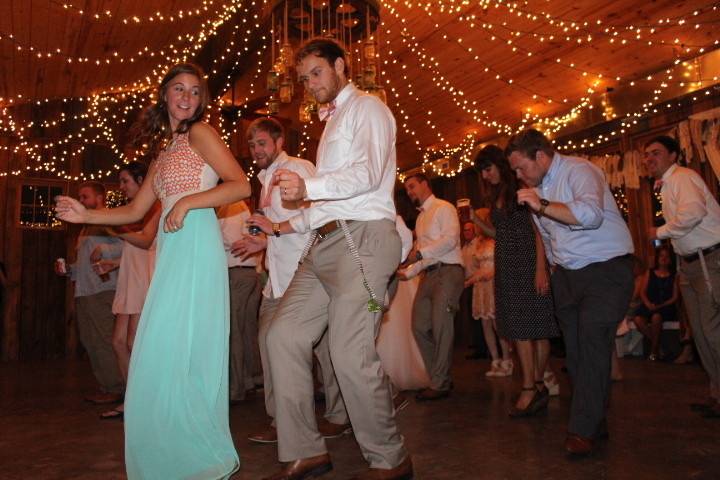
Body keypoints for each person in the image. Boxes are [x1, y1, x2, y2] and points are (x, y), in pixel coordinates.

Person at [55, 63, 250, 478]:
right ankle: (176, 449)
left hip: (196, 249)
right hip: (172, 254)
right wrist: (85, 213)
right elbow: (135, 211)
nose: (187, 98)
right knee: (162, 352)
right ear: (164, 95)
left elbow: (240, 184)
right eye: (179, 89)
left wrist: (185, 203)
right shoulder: (164, 153)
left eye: (195, 91)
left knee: (181, 347)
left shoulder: (201, 134)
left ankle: (199, 450)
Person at [258, 38, 412, 480]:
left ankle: (391, 459)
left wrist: (308, 188)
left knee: (348, 354)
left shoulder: (368, 109)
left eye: (316, 73)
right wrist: (295, 215)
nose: (309, 84)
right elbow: (328, 199)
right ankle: (305, 450)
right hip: (324, 243)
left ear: (341, 66)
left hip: (362, 240)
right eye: (304, 78)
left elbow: (366, 175)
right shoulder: (331, 122)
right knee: (281, 335)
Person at [507, 129, 634, 455]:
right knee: (576, 356)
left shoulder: (579, 170)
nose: (519, 176)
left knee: (592, 345)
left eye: (522, 167)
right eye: (515, 171)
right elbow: (548, 237)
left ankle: (581, 431)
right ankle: (595, 421)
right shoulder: (535, 189)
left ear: (541, 155)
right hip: (568, 276)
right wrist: (551, 269)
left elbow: (590, 216)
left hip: (606, 270)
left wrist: (543, 203)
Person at [237, 117, 351, 444]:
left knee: (326, 350)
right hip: (276, 277)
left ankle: (340, 415)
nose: (256, 149)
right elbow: (280, 227)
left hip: (306, 275)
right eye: (253, 144)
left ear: (278, 141)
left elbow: (321, 215)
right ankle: (281, 422)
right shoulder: (264, 181)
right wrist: (264, 241)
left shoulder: (298, 168)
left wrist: (272, 231)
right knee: (268, 343)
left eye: (262, 143)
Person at [473, 145, 560, 414]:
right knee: (520, 327)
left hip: (529, 263)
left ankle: (530, 387)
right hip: (507, 265)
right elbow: (501, 234)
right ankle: (536, 385)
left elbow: (539, 230)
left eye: (488, 169)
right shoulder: (497, 194)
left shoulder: (522, 187)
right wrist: (476, 219)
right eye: (482, 172)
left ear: (500, 164)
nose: (485, 176)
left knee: (536, 326)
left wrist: (541, 269)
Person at [645, 135, 720, 418]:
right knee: (701, 335)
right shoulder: (667, 184)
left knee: (712, 333)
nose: (649, 159)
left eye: (656, 152)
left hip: (709, 261)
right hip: (690, 264)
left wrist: (659, 232)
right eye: (646, 154)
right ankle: (716, 395)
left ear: (673, 156)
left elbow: (694, 214)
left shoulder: (682, 177)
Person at [98, 161, 161, 420]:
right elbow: (134, 249)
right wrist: (112, 263)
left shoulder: (157, 206)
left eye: (126, 181)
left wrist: (115, 229)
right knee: (118, 342)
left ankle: (147, 400)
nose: (122, 187)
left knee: (136, 343)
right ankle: (132, 396)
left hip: (145, 278)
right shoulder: (132, 211)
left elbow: (146, 241)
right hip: (130, 276)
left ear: (140, 180)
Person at [54, 182, 124, 405]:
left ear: (100, 196)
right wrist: (69, 270)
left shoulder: (108, 219)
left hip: (103, 290)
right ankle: (107, 385)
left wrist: (105, 249)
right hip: (85, 291)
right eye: (80, 197)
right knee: (90, 340)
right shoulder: (85, 227)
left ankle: (117, 387)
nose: (81, 201)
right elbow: (85, 263)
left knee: (104, 339)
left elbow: (132, 246)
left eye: (85, 196)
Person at [403, 173, 465, 401]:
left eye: (412, 186)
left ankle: (439, 383)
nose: (409, 192)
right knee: (419, 326)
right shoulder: (419, 219)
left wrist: (419, 253)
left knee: (441, 327)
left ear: (425, 184)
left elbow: (450, 240)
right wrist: (407, 272)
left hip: (449, 271)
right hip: (428, 275)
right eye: (407, 189)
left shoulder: (444, 208)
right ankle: (440, 377)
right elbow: (422, 256)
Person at [217, 199, 263, 403]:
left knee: (234, 331)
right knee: (245, 330)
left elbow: (232, 240)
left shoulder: (231, 205)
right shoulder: (239, 205)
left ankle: (236, 388)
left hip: (237, 272)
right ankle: (248, 380)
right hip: (247, 272)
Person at [461, 220, 511, 377]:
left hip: (494, 284)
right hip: (481, 286)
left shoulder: (498, 240)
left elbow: (503, 263)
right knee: (485, 324)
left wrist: (488, 274)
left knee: (498, 324)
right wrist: (468, 281)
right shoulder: (479, 244)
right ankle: (495, 360)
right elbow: (477, 268)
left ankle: (507, 360)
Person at [633, 245, 679, 361]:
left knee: (656, 317)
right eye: (661, 256)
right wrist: (648, 303)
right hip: (649, 304)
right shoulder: (650, 272)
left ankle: (653, 351)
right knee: (638, 319)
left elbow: (675, 297)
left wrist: (660, 305)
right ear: (657, 258)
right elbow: (642, 292)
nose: (663, 258)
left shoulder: (674, 275)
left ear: (670, 259)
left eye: (666, 256)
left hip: (666, 306)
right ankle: (658, 345)